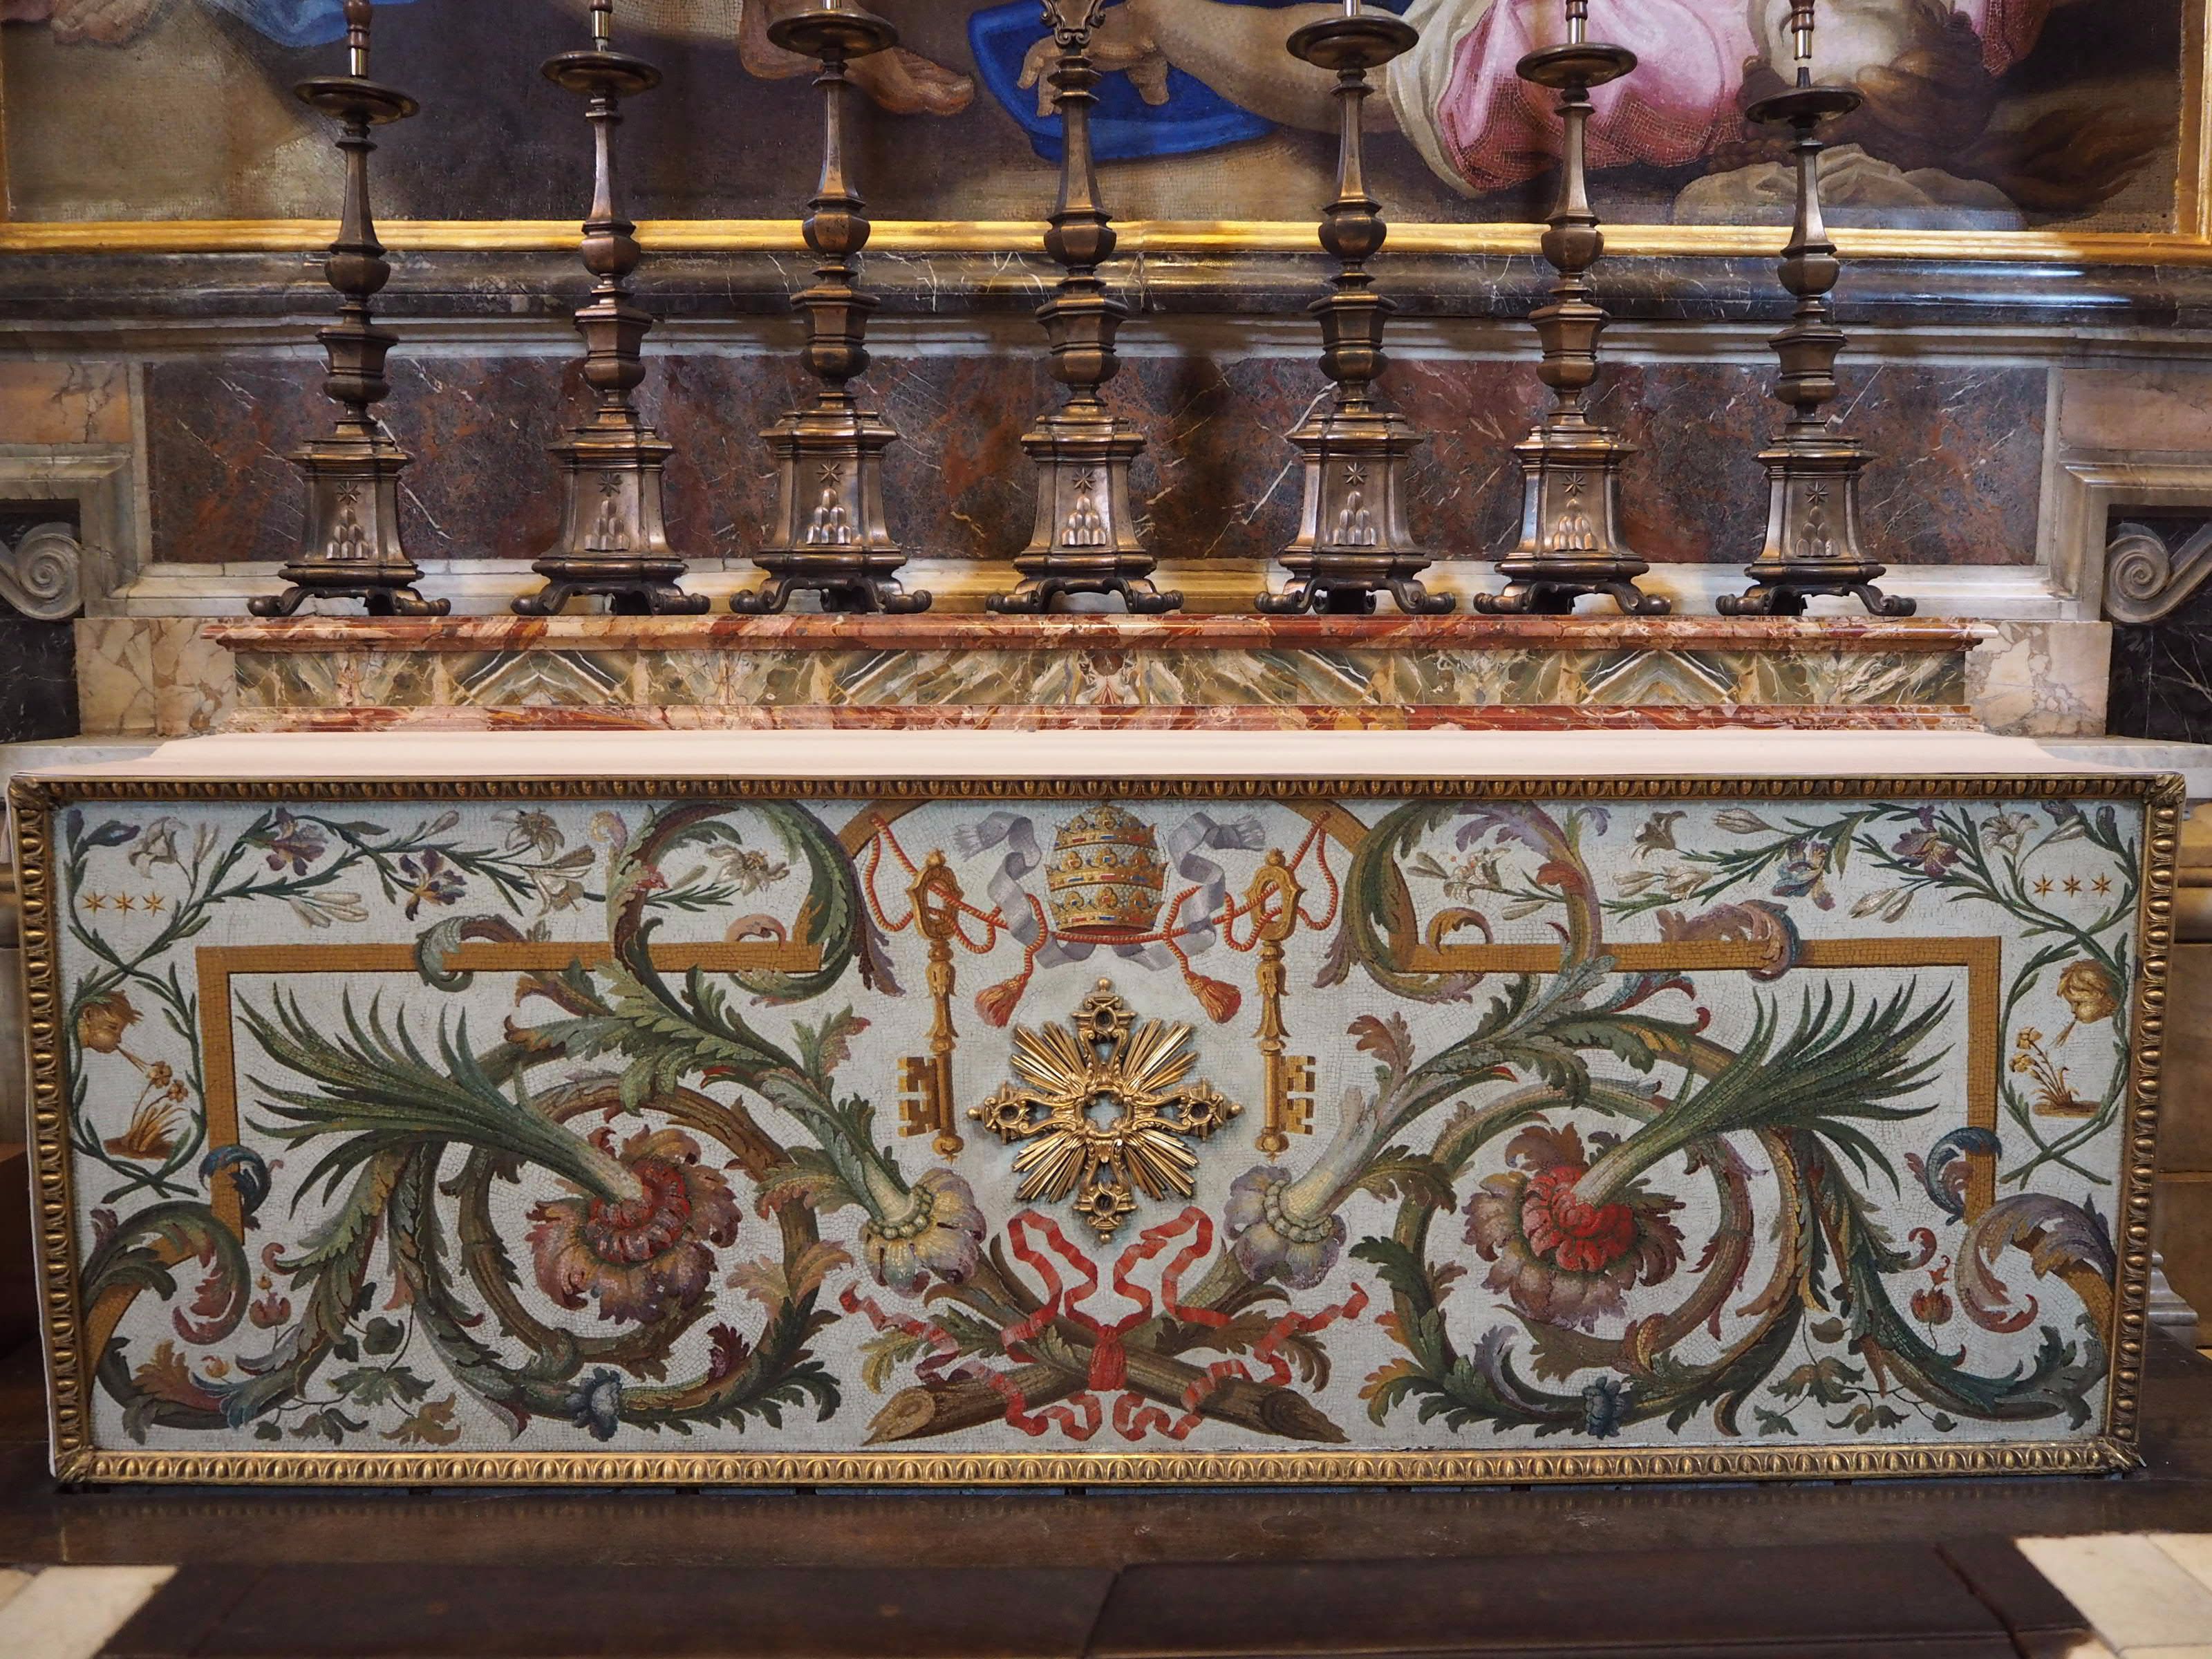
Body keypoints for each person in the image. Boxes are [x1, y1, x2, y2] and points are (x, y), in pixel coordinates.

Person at [1035, 0, 2149, 216]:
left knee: (1346, 62)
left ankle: (1143, 21)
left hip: (1463, 53)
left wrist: (1171, 22)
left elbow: (1361, 71)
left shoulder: (1671, 66)